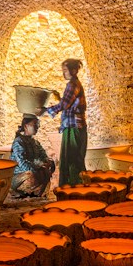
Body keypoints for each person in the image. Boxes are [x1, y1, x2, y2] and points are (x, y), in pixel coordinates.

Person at [41, 57, 87, 189]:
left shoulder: (72, 85)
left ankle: (71, 189)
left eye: (65, 70)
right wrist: (59, 98)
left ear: (73, 70)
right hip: (76, 126)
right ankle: (79, 188)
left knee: (70, 159)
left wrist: (46, 111)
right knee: (75, 159)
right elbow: (70, 104)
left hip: (73, 127)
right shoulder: (76, 84)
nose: (63, 73)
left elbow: (65, 105)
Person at [9, 115, 55, 199]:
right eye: (35, 124)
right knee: (31, 174)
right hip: (18, 176)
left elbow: (44, 156)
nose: (37, 127)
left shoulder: (35, 142)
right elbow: (23, 164)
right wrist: (39, 166)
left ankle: (36, 194)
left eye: (38, 124)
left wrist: (48, 163)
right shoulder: (19, 142)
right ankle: (18, 191)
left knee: (46, 170)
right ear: (26, 126)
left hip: (34, 170)